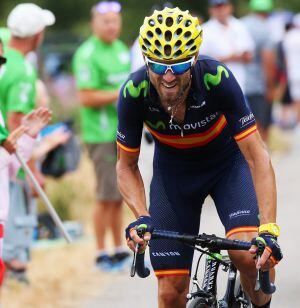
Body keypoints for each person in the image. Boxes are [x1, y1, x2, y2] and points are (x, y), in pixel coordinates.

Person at [116, 7, 282, 308]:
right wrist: (140, 215)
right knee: (169, 291)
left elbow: (258, 156)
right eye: (158, 65)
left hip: (227, 166)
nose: (168, 76)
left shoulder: (216, 78)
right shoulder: (134, 91)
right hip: (173, 176)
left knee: (249, 255)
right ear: (144, 59)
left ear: (193, 60)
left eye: (178, 67)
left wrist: (268, 229)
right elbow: (125, 165)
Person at [72, 1, 131, 271]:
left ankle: (118, 247)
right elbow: (85, 96)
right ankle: (99, 252)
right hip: (100, 133)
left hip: (122, 132)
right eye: (105, 21)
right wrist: (119, 93)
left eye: (115, 21)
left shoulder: (121, 49)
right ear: (94, 23)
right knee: (105, 194)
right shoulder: (87, 53)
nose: (111, 26)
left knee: (120, 192)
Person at [0, 3, 55, 279]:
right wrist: (33, 171)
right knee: (12, 222)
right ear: (37, 35)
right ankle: (12, 273)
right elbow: (15, 124)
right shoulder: (20, 70)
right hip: (6, 160)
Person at [200, 0, 254, 92]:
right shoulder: (204, 30)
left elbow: (249, 57)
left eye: (223, 6)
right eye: (217, 7)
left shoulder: (240, 26)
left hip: (241, 84)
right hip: (216, 88)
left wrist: (226, 58)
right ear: (210, 10)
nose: (221, 10)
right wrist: (232, 57)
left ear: (230, 7)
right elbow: (201, 62)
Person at [242, 0, 277, 142]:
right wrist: (270, 87)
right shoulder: (265, 29)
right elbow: (268, 60)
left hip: (240, 83)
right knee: (261, 127)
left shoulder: (240, 24)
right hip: (258, 86)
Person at [283, 13, 300, 132]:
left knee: (296, 99)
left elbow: (285, 58)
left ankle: (298, 123)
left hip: (293, 72)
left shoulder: (288, 36)